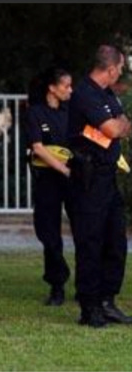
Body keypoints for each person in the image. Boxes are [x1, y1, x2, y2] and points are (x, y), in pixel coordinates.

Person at [67, 44, 132, 327]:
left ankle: (107, 301)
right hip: (88, 178)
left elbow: (123, 124)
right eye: (120, 68)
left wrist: (118, 124)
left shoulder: (107, 95)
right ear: (111, 68)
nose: (120, 73)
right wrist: (117, 124)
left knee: (116, 241)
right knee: (91, 242)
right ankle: (89, 307)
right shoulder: (84, 93)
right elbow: (114, 129)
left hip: (108, 176)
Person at [25, 67, 73, 306]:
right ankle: (57, 284)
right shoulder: (35, 113)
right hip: (48, 180)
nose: (70, 90)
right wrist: (63, 169)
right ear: (52, 88)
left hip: (74, 179)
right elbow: (38, 148)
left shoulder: (72, 112)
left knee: (86, 231)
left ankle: (88, 285)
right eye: (66, 86)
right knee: (49, 233)